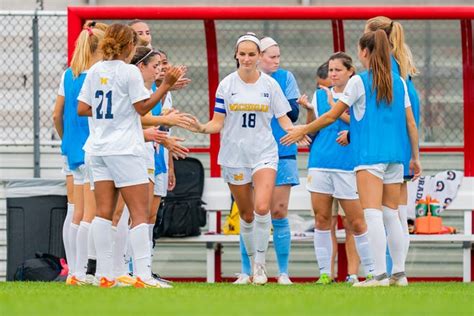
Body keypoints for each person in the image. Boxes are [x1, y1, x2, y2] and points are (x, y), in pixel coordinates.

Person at [282, 30, 421, 287]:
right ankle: (399, 274)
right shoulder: (399, 81)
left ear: (365, 52)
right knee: (392, 216)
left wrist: (302, 129)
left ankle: (378, 275)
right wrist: (415, 157)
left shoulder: (360, 82)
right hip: (395, 158)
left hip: (369, 156)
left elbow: (331, 116)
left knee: (373, 215)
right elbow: (411, 124)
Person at [189, 32, 309, 285]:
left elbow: (285, 119)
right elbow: (217, 122)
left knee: (263, 207)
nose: (246, 58)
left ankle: (261, 267)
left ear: (258, 57)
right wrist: (199, 127)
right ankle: (249, 268)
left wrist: (298, 132)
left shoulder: (270, 85)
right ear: (236, 55)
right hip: (234, 156)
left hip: (264, 153)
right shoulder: (227, 85)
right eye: (242, 54)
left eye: (251, 54)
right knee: (246, 215)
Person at [77, 23, 184, 288]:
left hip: (98, 149)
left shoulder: (94, 71)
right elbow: (142, 107)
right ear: (128, 47)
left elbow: (82, 108)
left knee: (103, 213)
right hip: (125, 149)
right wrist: (166, 85)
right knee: (139, 213)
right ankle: (144, 277)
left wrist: (111, 114)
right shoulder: (128, 72)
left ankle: (105, 274)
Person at [297, 52, 375, 285]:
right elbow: (314, 130)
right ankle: (324, 273)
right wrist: (310, 112)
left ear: (350, 71)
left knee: (356, 221)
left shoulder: (360, 93)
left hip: (349, 165)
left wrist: (338, 113)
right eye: (330, 70)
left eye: (337, 70)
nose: (332, 74)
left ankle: (368, 271)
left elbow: (367, 127)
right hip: (321, 163)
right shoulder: (320, 95)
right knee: (322, 219)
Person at [233, 36, 300, 285]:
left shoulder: (284, 79)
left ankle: (282, 272)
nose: (276, 61)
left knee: (279, 211)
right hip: (247, 153)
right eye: (272, 56)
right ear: (258, 56)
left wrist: (271, 89)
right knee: (249, 212)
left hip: (281, 149)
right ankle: (247, 270)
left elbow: (292, 112)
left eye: (278, 56)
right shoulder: (236, 81)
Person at [365, 16, 421, 274]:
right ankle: (397, 270)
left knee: (392, 212)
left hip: (391, 142)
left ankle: (392, 268)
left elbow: (386, 110)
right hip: (402, 140)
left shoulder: (387, 66)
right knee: (397, 210)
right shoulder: (400, 60)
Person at [53, 21, 107, 285]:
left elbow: (56, 114)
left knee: (73, 210)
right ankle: (83, 271)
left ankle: (73, 270)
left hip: (70, 149)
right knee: (90, 212)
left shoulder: (68, 74)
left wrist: (67, 140)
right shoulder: (96, 77)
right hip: (93, 149)